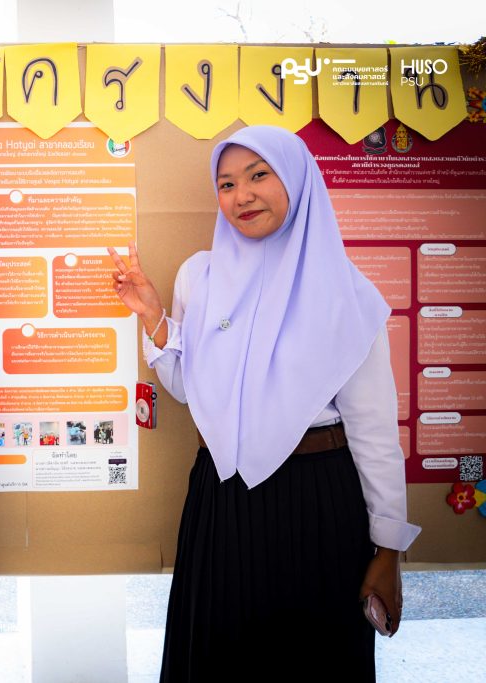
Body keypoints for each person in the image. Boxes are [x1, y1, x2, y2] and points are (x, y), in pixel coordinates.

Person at [108, 125, 420, 681]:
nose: (241, 196)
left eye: (258, 175)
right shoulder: (200, 276)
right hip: (222, 497)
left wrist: (388, 550)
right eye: (227, 183)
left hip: (317, 500)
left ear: (297, 181)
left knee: (313, 659)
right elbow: (193, 393)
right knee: (217, 655)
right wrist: (154, 316)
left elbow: (374, 431)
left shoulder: (346, 293)